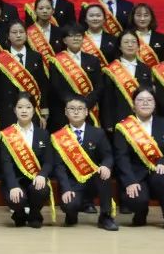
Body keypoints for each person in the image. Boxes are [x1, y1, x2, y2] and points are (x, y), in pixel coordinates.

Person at [113, 86, 164, 230]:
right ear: (133, 105)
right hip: (136, 174)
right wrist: (129, 181)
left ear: (155, 104)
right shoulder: (123, 127)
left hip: (159, 171)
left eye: (149, 100)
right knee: (136, 199)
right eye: (140, 100)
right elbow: (121, 158)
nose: (145, 103)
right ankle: (140, 212)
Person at [51, 95, 118, 230]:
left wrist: (106, 165)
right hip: (72, 183)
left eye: (80, 109)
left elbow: (108, 156)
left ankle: (105, 216)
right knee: (69, 205)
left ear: (87, 112)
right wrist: (66, 188)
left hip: (93, 180)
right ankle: (71, 214)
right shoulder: (58, 137)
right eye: (72, 109)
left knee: (104, 174)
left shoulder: (97, 133)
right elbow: (59, 167)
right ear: (66, 112)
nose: (76, 112)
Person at [0, 92, 52, 228]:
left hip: (35, 179)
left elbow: (48, 161)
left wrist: (42, 175)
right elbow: (6, 164)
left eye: (28, 107)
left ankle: (35, 215)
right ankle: (19, 214)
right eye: (20, 107)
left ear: (34, 110)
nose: (24, 111)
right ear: (14, 110)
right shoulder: (7, 134)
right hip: (15, 180)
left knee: (42, 190)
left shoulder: (43, 134)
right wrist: (13, 185)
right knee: (16, 198)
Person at [0, 21, 49, 130]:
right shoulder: (1, 59)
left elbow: (42, 85)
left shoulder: (36, 57)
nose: (18, 35)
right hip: (7, 111)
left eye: (21, 32)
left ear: (26, 35)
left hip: (31, 109)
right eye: (14, 32)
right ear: (8, 36)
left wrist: (43, 111)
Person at [48, 24, 102, 131]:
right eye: (72, 36)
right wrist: (72, 104)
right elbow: (56, 86)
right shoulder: (56, 61)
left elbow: (99, 86)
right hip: (64, 110)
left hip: (88, 109)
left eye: (78, 36)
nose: (76, 38)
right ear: (64, 40)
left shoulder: (93, 60)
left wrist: (86, 103)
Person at [101, 30, 153, 131]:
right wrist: (108, 123)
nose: (130, 45)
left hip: (142, 119)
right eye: (126, 42)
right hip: (119, 119)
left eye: (133, 42)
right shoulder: (111, 69)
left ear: (138, 46)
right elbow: (107, 99)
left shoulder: (146, 69)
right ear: (119, 46)